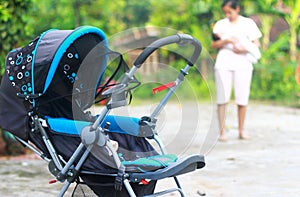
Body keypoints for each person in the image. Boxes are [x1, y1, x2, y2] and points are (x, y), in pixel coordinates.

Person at [211, 0, 262, 141]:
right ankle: (222, 132)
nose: (227, 15)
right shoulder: (220, 24)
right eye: (225, 12)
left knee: (242, 98)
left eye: (230, 12)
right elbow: (214, 43)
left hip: (243, 63)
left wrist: (244, 48)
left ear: (237, 9)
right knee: (222, 98)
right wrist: (228, 41)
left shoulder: (248, 23)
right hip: (223, 63)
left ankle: (241, 130)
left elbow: (256, 43)